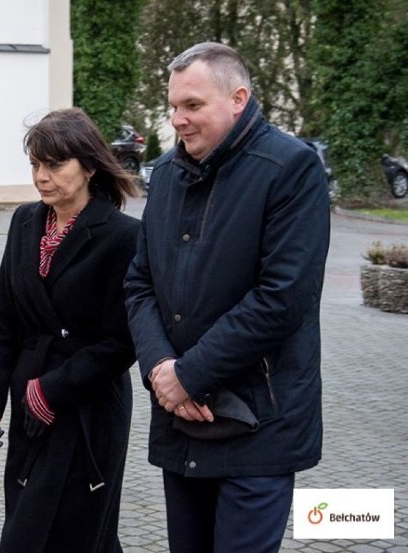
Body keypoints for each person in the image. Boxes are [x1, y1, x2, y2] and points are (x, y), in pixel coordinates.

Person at [125, 42, 331, 553]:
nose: (178, 120)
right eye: (173, 106)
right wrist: (161, 369)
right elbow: (139, 284)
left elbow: (283, 297)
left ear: (238, 98)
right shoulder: (168, 175)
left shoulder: (290, 168)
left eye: (192, 106)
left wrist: (189, 375)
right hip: (182, 419)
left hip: (258, 423)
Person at [0, 108, 141, 553]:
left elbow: (122, 341)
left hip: (87, 405)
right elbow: (4, 321)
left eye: (54, 164)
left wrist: (54, 390)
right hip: (29, 398)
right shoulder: (24, 222)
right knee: (34, 523)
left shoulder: (123, 235)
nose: (41, 176)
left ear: (88, 165)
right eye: (35, 164)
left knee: (73, 531)